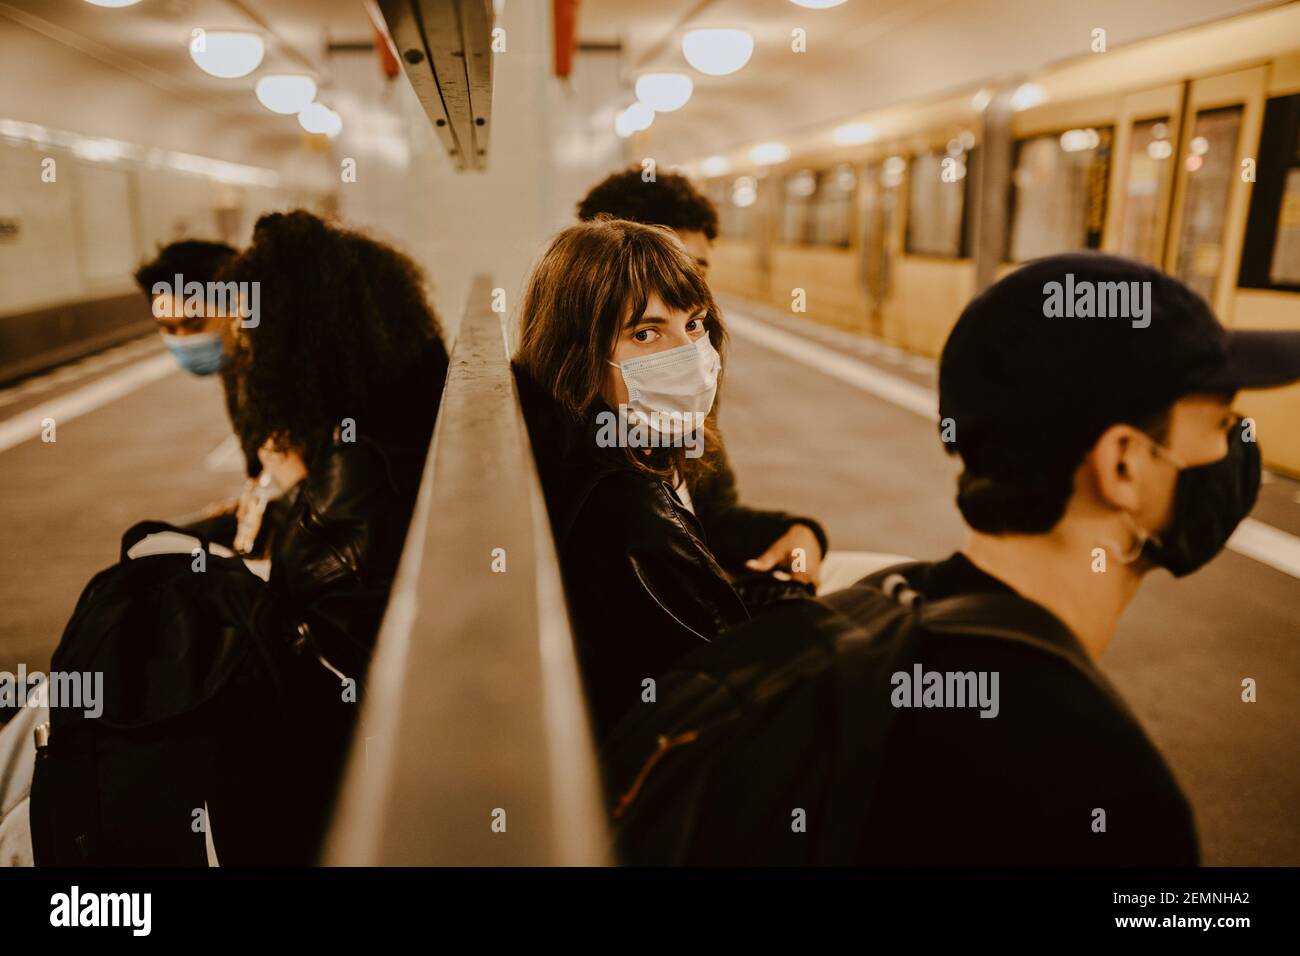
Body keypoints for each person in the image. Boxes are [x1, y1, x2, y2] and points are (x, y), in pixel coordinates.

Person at [611, 252, 1300, 865]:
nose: (1233, 447)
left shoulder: (885, 605)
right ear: (1122, 464)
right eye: (1218, 424)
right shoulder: (1106, 791)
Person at [1, 210, 449, 865]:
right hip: (284, 704)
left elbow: (310, 644)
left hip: (279, 745)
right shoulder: (374, 437)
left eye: (249, 334)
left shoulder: (349, 478)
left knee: (74, 697)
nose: (240, 349)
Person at [514, 218, 826, 739]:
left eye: (695, 324)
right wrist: (801, 607)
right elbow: (732, 674)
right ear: (580, 355)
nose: (686, 354)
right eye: (645, 333)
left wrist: (797, 530)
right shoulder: (629, 511)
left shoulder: (602, 441)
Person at [577, 167, 906, 592]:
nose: (688, 298)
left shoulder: (678, 386)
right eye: (646, 330)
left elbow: (712, 516)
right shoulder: (600, 447)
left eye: (696, 274)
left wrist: (793, 532)